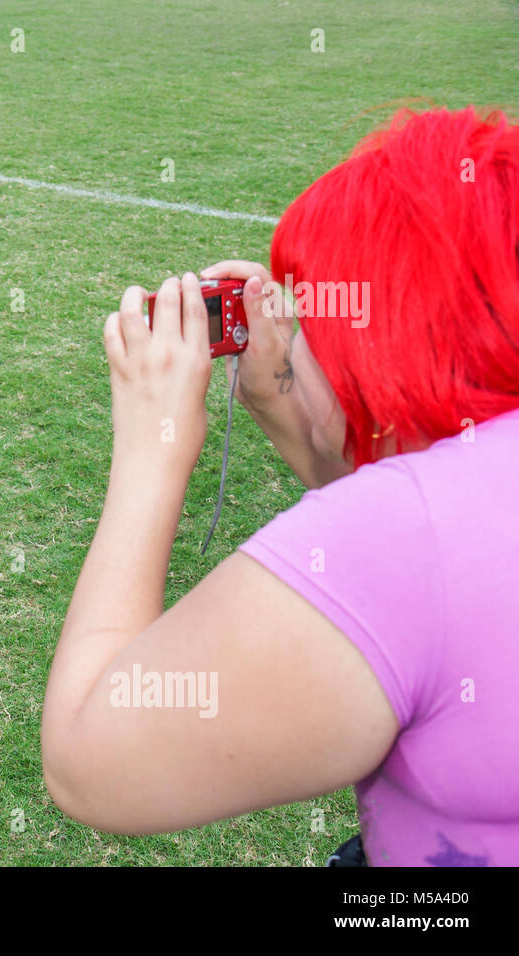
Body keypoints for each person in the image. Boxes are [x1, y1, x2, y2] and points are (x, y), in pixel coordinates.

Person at [41, 107, 519, 866]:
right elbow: (445, 567)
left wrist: (151, 450)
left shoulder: (401, 535)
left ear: (392, 331)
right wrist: (282, 395)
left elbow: (85, 759)